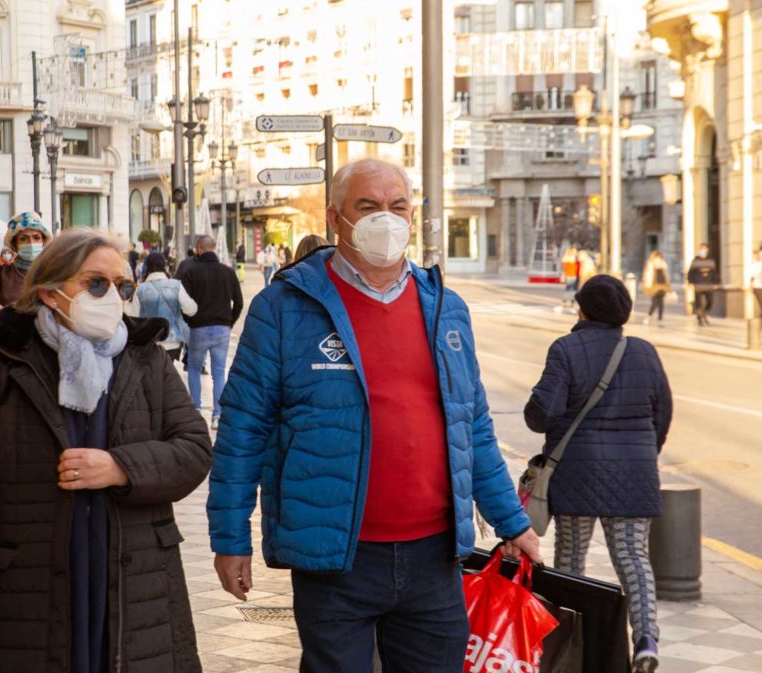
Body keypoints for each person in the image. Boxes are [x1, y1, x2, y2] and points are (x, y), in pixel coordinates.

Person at [208, 159, 541, 673]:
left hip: (435, 558)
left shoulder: (444, 308)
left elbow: (471, 427)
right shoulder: (282, 308)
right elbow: (242, 431)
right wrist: (230, 540)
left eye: (397, 206)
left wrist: (512, 521)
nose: (385, 219)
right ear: (336, 217)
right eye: (368, 207)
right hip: (335, 557)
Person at [0, 229, 212, 673]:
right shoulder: (0, 366)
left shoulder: (146, 360)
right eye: (95, 283)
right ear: (50, 291)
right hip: (28, 594)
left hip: (135, 592)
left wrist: (122, 467)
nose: (112, 297)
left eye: (123, 286)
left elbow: (194, 449)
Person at [524, 274, 672, 673]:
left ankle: (572, 642)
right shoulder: (643, 351)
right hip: (635, 475)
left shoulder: (566, 349)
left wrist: (535, 405)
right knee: (633, 559)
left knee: (570, 558)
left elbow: (542, 416)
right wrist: (641, 457)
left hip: (577, 473)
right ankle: (646, 639)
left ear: (583, 308)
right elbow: (663, 414)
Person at [176, 235, 243, 430]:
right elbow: (238, 302)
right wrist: (229, 321)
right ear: (213, 248)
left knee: (194, 369)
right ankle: (217, 414)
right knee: (218, 374)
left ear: (198, 249)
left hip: (198, 329)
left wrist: (191, 322)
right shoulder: (228, 272)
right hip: (222, 329)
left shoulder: (191, 272)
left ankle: (196, 410)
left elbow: (183, 303)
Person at [126, 252, 198, 361]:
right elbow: (191, 310)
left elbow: (134, 316)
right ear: (164, 266)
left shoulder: (140, 289)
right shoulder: (176, 286)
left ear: (148, 266)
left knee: (152, 376)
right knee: (166, 375)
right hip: (172, 342)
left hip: (149, 342)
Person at [687, 243, 719, 326]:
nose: (703, 250)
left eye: (705, 249)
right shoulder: (695, 260)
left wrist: (715, 283)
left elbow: (714, 273)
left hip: (708, 284)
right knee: (699, 303)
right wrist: (691, 282)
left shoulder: (711, 260)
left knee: (710, 302)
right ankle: (700, 318)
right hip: (698, 285)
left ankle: (704, 314)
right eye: (702, 249)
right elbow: (690, 273)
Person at [641, 250, 673, 326]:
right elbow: (647, 275)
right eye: (656, 257)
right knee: (654, 303)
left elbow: (666, 276)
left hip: (662, 286)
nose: (658, 259)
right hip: (653, 286)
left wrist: (668, 285)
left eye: (659, 257)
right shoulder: (650, 264)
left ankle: (660, 320)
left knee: (661, 303)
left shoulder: (664, 265)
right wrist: (646, 285)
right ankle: (648, 317)